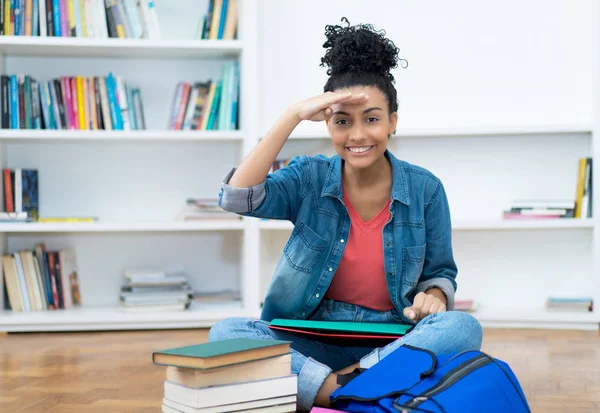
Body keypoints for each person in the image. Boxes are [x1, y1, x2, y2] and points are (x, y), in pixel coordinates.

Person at [209, 17, 482, 412]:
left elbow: (441, 273)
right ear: (328, 124)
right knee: (227, 333)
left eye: (371, 118)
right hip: (311, 336)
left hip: (391, 340)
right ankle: (359, 391)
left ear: (392, 122)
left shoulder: (426, 189)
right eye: (342, 121)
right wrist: (292, 115)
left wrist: (435, 297)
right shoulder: (309, 176)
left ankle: (327, 390)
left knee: (462, 327)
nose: (357, 136)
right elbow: (237, 199)